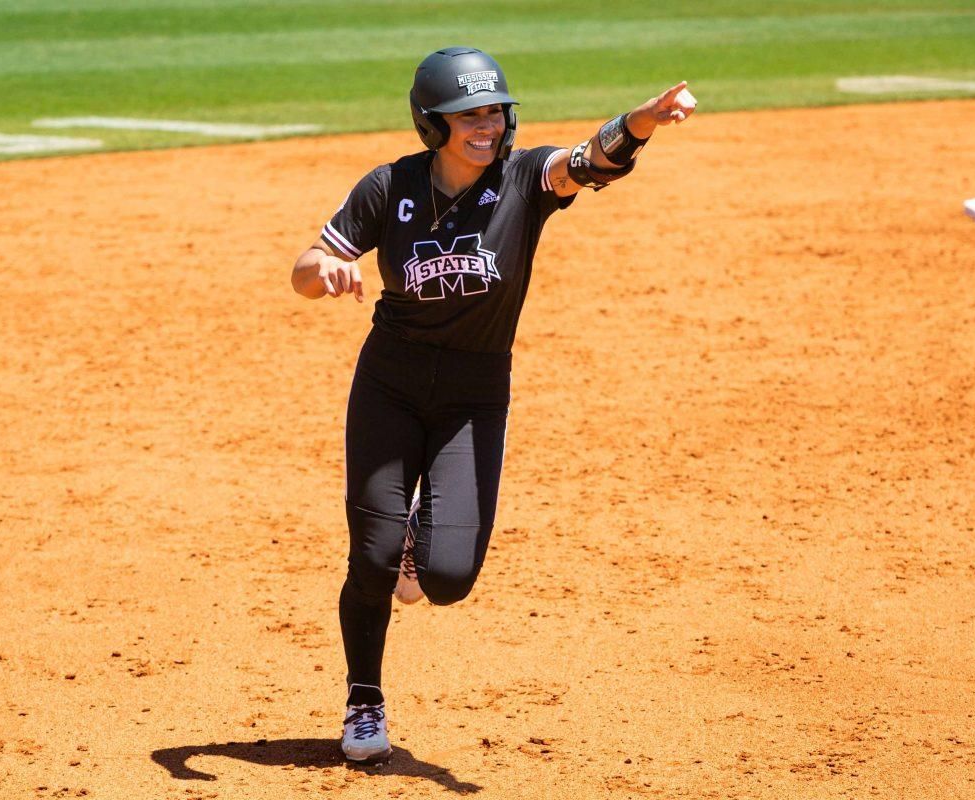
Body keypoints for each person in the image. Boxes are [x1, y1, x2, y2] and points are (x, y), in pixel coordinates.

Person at [290, 46, 696, 763]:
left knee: (443, 581)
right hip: (390, 383)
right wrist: (325, 268)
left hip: (475, 395)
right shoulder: (390, 187)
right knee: (372, 557)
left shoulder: (524, 179)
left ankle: (424, 540)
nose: (486, 125)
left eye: (494, 111)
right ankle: (363, 699)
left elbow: (587, 161)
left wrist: (639, 125)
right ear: (431, 122)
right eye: (468, 114)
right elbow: (302, 270)